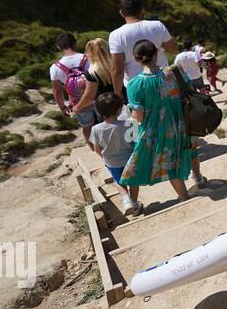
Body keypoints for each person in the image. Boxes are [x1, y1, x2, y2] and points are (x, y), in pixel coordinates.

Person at [121, 39, 204, 208]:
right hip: (182, 125)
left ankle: (136, 203)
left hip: (155, 132)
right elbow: (190, 92)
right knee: (184, 156)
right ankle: (194, 184)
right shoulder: (175, 72)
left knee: (140, 164)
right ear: (156, 54)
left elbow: (138, 117)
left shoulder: (134, 84)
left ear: (136, 59)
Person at [109, 0, 177, 96]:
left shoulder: (116, 35)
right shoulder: (157, 25)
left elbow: (117, 69)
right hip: (163, 81)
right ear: (142, 10)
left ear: (121, 13)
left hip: (136, 87)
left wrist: (117, 94)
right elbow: (173, 50)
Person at [90, 92, 138, 215]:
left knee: (118, 182)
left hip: (112, 162)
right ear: (119, 110)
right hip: (130, 159)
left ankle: (126, 200)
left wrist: (103, 157)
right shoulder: (129, 124)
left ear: (99, 112)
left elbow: (97, 149)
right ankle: (134, 203)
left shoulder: (96, 129)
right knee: (133, 182)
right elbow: (136, 143)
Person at [49, 33, 96, 148]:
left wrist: (62, 107)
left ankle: (95, 150)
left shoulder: (55, 68)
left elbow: (57, 91)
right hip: (96, 96)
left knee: (87, 126)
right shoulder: (88, 58)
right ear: (75, 43)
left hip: (78, 103)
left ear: (58, 47)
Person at [71, 38, 118, 140]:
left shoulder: (92, 72)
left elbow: (89, 96)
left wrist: (77, 107)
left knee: (109, 136)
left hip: (104, 106)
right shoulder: (118, 64)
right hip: (122, 101)